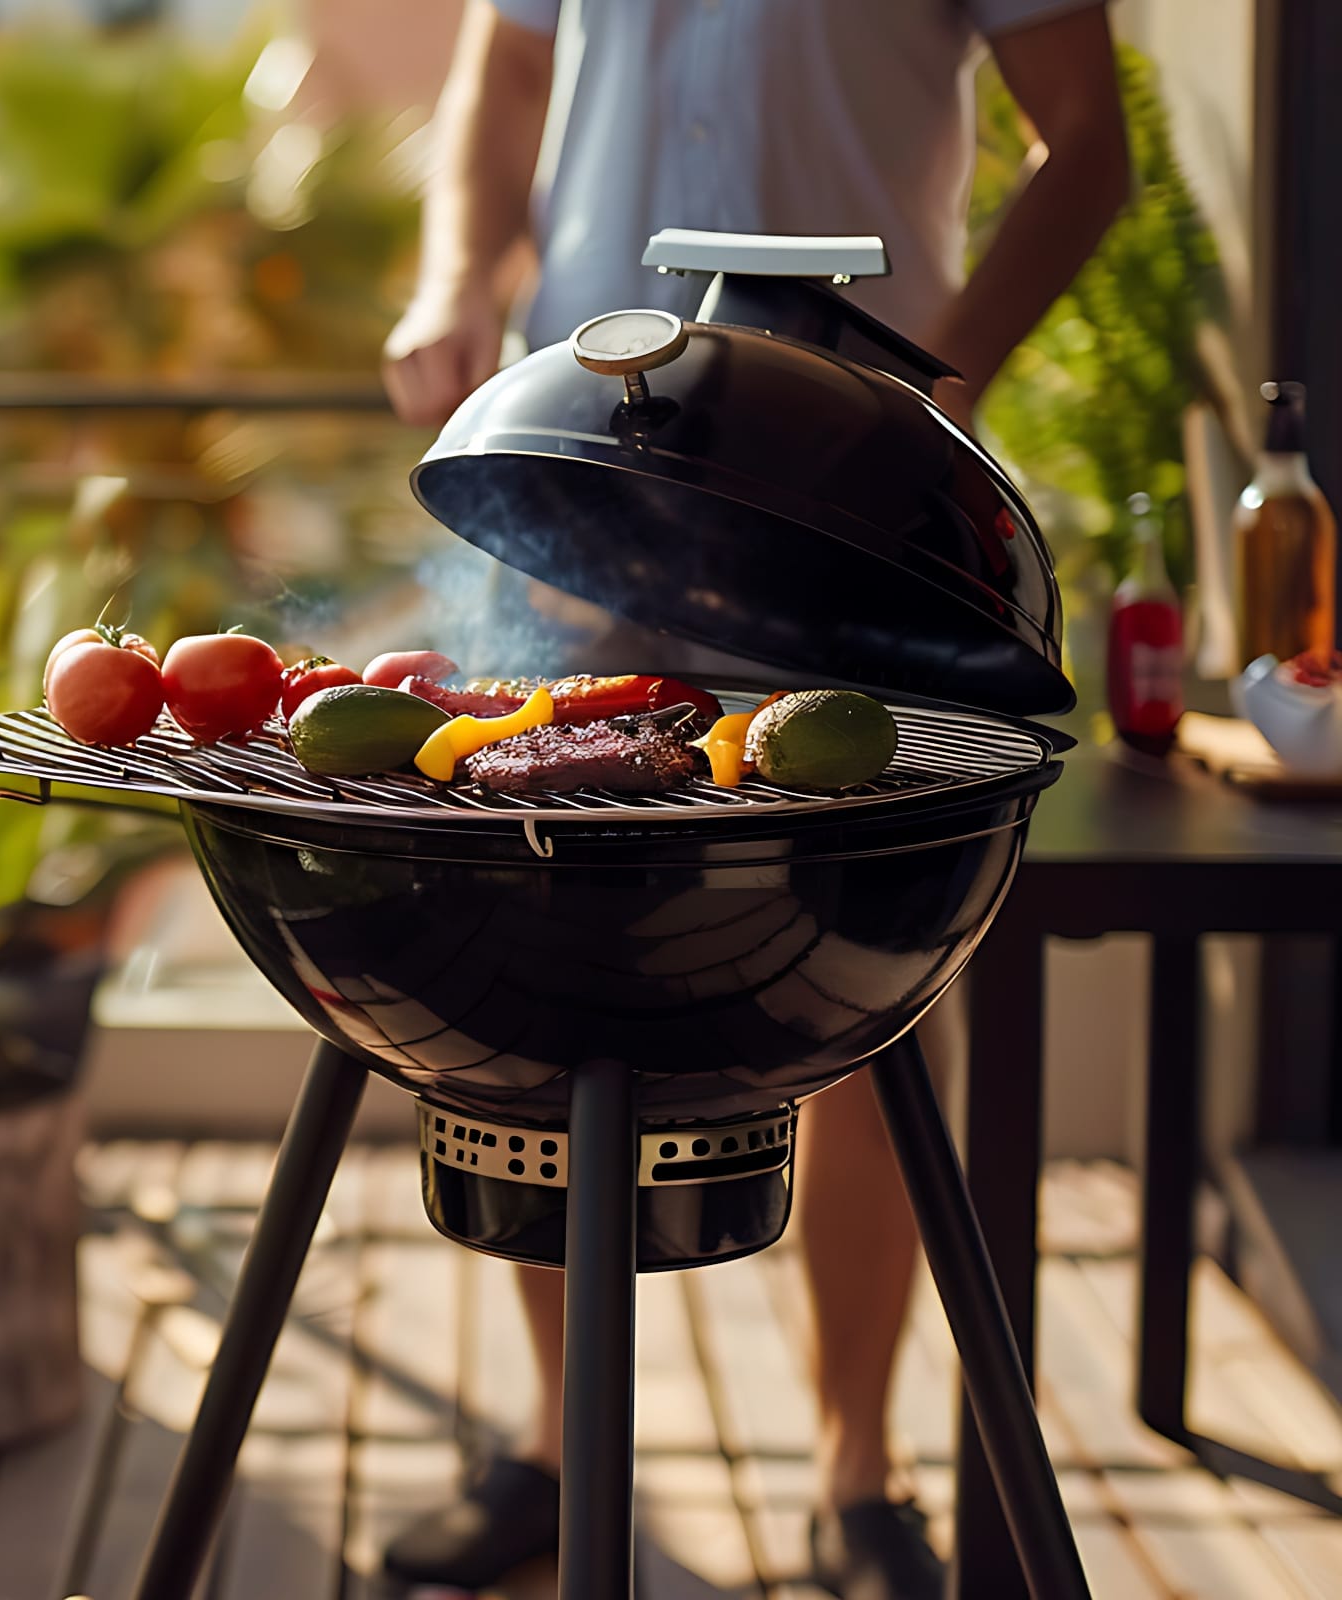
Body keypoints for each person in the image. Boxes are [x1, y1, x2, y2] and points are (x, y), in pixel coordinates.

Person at [378, 3, 1130, 1597]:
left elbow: (1090, 146)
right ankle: (555, 1442)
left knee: (871, 971)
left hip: (849, 507)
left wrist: (938, 400)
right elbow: (503, 75)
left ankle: (858, 1469)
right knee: (528, 942)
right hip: (581, 474)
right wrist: (455, 277)